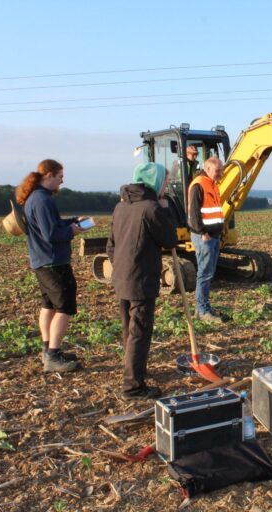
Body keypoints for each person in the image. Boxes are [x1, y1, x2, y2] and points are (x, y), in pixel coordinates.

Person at [107, 162, 177, 400]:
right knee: (139, 331)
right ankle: (132, 386)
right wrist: (166, 209)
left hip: (122, 276)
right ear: (155, 182)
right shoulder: (151, 208)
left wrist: (122, 266)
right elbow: (169, 241)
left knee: (130, 329)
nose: (165, 187)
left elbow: (111, 245)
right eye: (164, 182)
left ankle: (134, 370)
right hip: (140, 279)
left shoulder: (121, 207)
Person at [15, 159, 82, 373]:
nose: (62, 181)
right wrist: (73, 231)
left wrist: (71, 221)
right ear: (49, 175)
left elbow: (51, 225)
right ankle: (53, 356)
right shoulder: (42, 200)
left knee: (48, 306)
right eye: (60, 176)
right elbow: (51, 234)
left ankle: (48, 350)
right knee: (64, 307)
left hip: (41, 261)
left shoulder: (34, 198)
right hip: (53, 262)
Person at [187, 156, 225, 324]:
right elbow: (193, 215)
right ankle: (203, 310)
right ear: (208, 169)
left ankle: (200, 309)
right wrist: (203, 232)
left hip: (213, 235)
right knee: (205, 274)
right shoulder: (199, 185)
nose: (221, 174)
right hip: (205, 236)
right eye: (218, 171)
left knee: (208, 274)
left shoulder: (212, 184)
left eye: (221, 170)